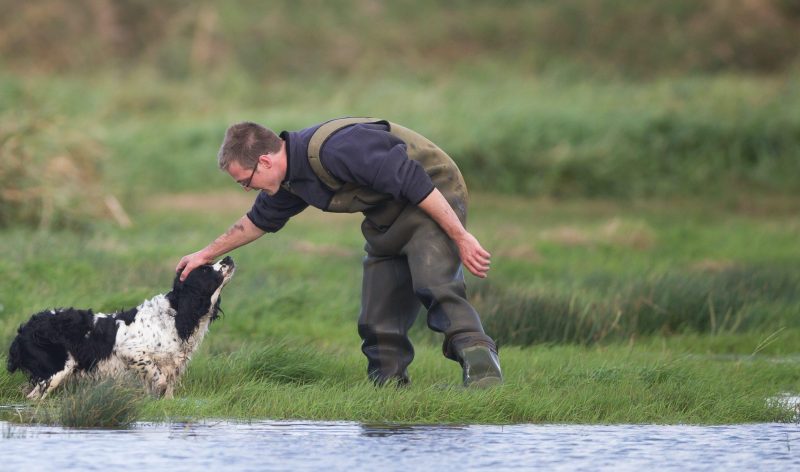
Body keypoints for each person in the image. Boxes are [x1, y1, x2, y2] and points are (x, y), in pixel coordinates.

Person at [176, 117, 502, 388]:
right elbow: (256, 221)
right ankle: (389, 391)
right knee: (377, 315)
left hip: (433, 194)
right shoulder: (289, 179)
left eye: (246, 181)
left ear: (264, 161)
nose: (247, 189)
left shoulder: (339, 150)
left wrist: (461, 236)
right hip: (387, 215)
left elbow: (414, 182)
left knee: (434, 285)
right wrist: (205, 255)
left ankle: (484, 376)